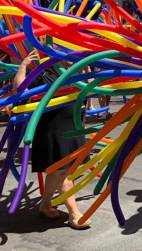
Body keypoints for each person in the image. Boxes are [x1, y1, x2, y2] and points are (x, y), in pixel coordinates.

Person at [13, 51, 89, 229]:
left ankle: (45, 205)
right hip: (51, 131)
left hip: (71, 129)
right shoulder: (42, 75)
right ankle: (74, 214)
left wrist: (84, 68)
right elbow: (19, 90)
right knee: (62, 173)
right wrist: (23, 66)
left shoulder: (73, 73)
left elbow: (87, 90)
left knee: (55, 171)